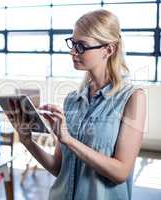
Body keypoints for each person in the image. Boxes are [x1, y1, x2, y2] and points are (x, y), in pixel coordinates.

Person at [8, 9, 146, 200]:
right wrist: (27, 141)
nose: (73, 52)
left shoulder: (132, 97)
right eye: (73, 43)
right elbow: (59, 168)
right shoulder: (72, 99)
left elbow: (120, 172)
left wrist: (69, 140)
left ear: (108, 49)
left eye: (81, 46)